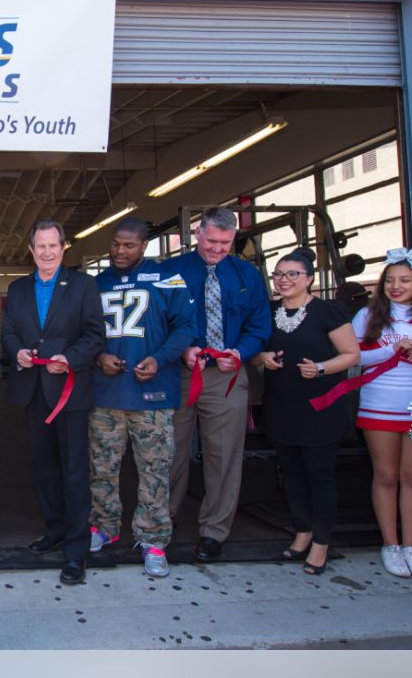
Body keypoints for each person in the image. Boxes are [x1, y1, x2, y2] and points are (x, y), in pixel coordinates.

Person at [86, 218, 195, 578]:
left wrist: (160, 358)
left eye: (128, 245)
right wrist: (99, 355)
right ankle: (104, 526)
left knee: (155, 472)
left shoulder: (168, 279)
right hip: (106, 395)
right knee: (102, 468)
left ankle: (153, 540)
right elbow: (84, 331)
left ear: (144, 246)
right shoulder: (96, 283)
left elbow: (186, 327)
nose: (119, 251)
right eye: (115, 244)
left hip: (153, 395)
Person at [163, 207, 272, 561]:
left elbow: (260, 324)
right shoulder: (171, 271)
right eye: (212, 241)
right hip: (178, 372)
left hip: (225, 375)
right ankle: (161, 523)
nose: (218, 249)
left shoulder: (247, 275)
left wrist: (240, 352)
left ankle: (214, 531)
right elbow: (158, 319)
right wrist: (181, 351)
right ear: (198, 233)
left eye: (226, 243)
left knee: (223, 455)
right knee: (168, 452)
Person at [2, 220, 104, 584]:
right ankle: (55, 528)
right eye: (40, 246)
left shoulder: (83, 285)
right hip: (34, 389)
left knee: (74, 470)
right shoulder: (17, 289)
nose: (46, 253)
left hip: (69, 392)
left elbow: (95, 334)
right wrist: (19, 354)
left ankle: (76, 550)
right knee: (44, 467)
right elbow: (9, 331)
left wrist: (71, 358)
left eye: (53, 246)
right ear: (31, 250)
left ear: (64, 248)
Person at [254, 248, 359, 575]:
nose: (284, 280)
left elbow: (351, 354)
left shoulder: (328, 311)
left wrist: (322, 368)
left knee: (320, 476)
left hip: (320, 408)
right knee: (291, 474)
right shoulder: (268, 312)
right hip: (281, 405)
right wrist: (262, 358)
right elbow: (255, 348)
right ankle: (302, 532)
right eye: (279, 274)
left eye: (292, 274)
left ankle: (321, 543)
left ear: (309, 278)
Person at [350, 248, 412, 580]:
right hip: (378, 403)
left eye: (404, 280)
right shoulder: (368, 316)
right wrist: (392, 349)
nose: (395, 286)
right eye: (390, 280)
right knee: (385, 475)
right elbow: (353, 356)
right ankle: (390, 544)